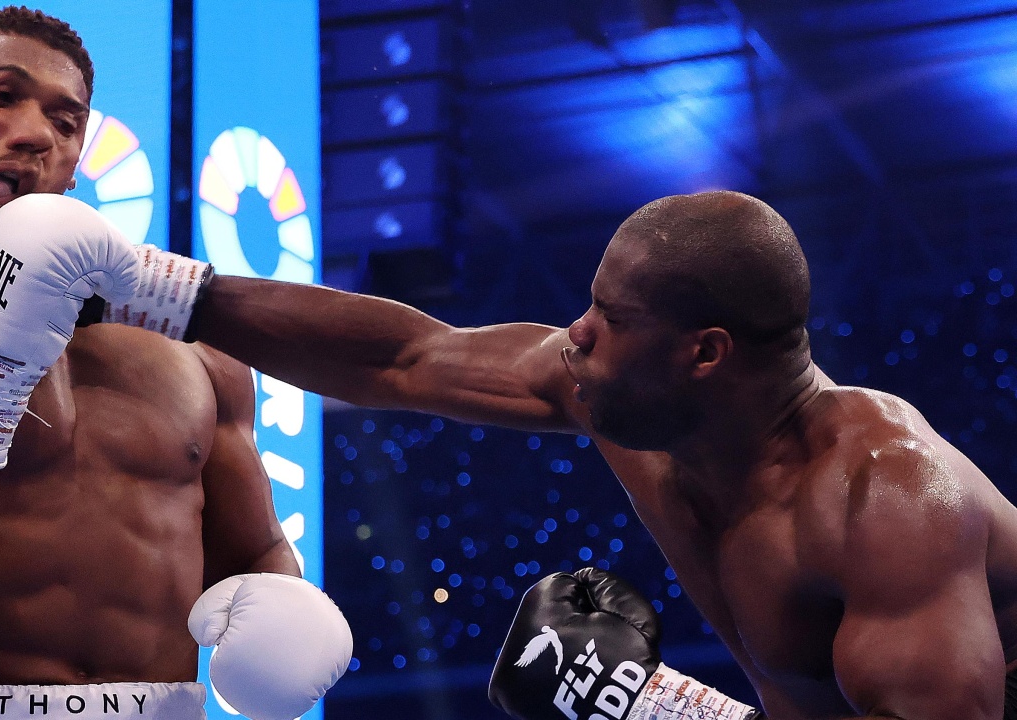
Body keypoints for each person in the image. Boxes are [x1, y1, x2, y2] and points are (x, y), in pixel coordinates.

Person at [149, 190, 1017, 719]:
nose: (578, 332)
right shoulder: (621, 396)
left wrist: (658, 711)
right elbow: (403, 358)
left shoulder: (887, 497)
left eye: (612, 319)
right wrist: (158, 291)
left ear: (703, 352)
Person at [0, 8, 350, 720]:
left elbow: (256, 549)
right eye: (0, 95)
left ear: (76, 162)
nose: (33, 133)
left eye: (66, 121)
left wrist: (286, 607)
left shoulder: (193, 348)